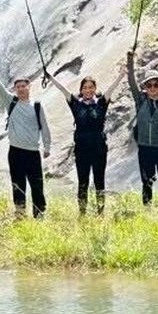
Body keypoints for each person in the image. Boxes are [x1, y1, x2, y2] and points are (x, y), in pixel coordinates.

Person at [0, 59, 52, 218]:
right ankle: (20, 214)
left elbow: (45, 127)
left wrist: (47, 147)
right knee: (17, 184)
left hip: (33, 152)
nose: (20, 89)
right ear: (15, 89)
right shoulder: (11, 102)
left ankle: (39, 214)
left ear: (29, 87)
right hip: (15, 152)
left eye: (23, 86)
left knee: (37, 185)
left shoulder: (37, 106)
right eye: (17, 87)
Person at [45, 68, 115, 215]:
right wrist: (50, 77)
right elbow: (62, 89)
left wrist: (122, 74)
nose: (88, 90)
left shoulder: (101, 103)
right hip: (82, 150)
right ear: (81, 90)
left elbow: (112, 88)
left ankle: (100, 213)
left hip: (99, 149)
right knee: (83, 182)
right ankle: (82, 213)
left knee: (99, 182)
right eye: (85, 88)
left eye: (91, 87)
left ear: (95, 89)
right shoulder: (76, 104)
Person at [126, 47, 158, 205]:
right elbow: (132, 83)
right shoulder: (140, 101)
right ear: (145, 88)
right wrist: (130, 61)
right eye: (149, 85)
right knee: (147, 181)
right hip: (145, 148)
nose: (153, 88)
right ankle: (147, 210)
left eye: (156, 85)